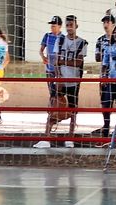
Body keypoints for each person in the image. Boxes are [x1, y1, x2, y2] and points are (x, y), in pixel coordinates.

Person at [37, 15, 87, 148]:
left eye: (71, 25)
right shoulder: (60, 41)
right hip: (61, 79)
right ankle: (47, 136)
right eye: (68, 25)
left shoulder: (82, 42)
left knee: (73, 110)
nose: (69, 27)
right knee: (53, 105)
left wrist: (63, 61)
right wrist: (58, 76)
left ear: (76, 26)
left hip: (74, 81)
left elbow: (78, 62)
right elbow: (55, 61)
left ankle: (70, 137)